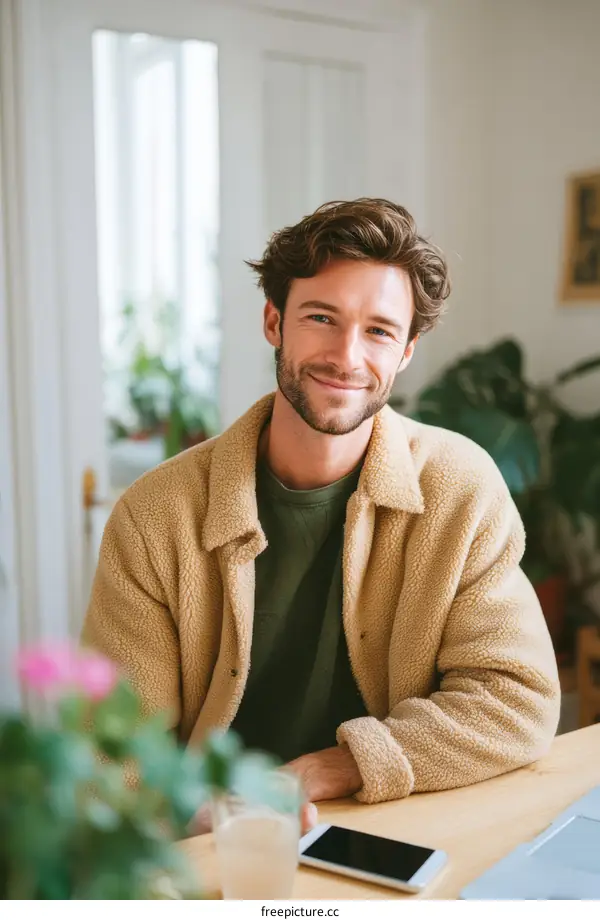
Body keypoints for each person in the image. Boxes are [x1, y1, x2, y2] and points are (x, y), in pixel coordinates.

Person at [83, 198, 560, 825]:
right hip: (218, 837)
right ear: (274, 322)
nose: (347, 356)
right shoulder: (154, 516)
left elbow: (516, 699)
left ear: (407, 351)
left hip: (389, 821)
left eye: (380, 331)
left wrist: (325, 770)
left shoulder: (460, 488)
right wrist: (209, 816)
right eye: (321, 318)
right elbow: (113, 755)